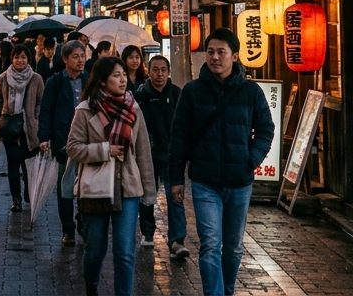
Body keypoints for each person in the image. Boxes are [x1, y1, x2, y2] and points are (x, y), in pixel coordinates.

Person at [169, 29, 274, 296]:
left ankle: (226, 290)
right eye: (211, 52)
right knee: (210, 243)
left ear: (235, 56)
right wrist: (176, 179)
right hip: (205, 181)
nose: (215, 57)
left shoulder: (251, 91)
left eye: (221, 52)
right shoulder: (192, 91)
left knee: (234, 245)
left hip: (240, 181)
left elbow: (266, 129)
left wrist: (250, 159)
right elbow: (179, 136)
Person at [67, 57, 154, 296]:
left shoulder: (133, 108)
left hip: (127, 186)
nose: (123, 79)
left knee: (125, 251)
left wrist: (149, 192)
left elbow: (143, 152)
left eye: (124, 74)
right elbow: (73, 147)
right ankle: (91, 284)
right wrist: (104, 150)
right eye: (116, 75)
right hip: (96, 186)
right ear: (103, 81)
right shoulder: (85, 110)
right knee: (95, 249)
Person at [39, 38, 90, 245]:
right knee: (66, 186)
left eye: (82, 56)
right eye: (75, 57)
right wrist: (44, 137)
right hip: (64, 141)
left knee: (87, 187)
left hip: (88, 142)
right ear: (65, 59)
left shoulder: (90, 80)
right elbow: (46, 111)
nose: (80, 60)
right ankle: (67, 228)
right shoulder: (55, 82)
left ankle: (84, 223)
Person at [137, 54, 187, 258]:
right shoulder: (140, 95)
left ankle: (177, 240)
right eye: (155, 70)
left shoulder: (177, 94)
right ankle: (147, 232)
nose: (159, 74)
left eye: (163, 70)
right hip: (146, 156)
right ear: (148, 72)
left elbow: (186, 125)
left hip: (171, 155)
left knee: (175, 198)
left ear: (169, 72)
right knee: (147, 197)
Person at [0, 43, 45, 212]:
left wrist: (36, 121)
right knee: (13, 163)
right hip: (9, 126)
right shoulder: (3, 77)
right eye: (16, 57)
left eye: (23, 57)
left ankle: (29, 192)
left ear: (28, 59)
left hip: (29, 128)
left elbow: (40, 102)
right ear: (11, 59)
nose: (19, 60)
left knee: (28, 163)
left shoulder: (36, 78)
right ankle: (16, 198)